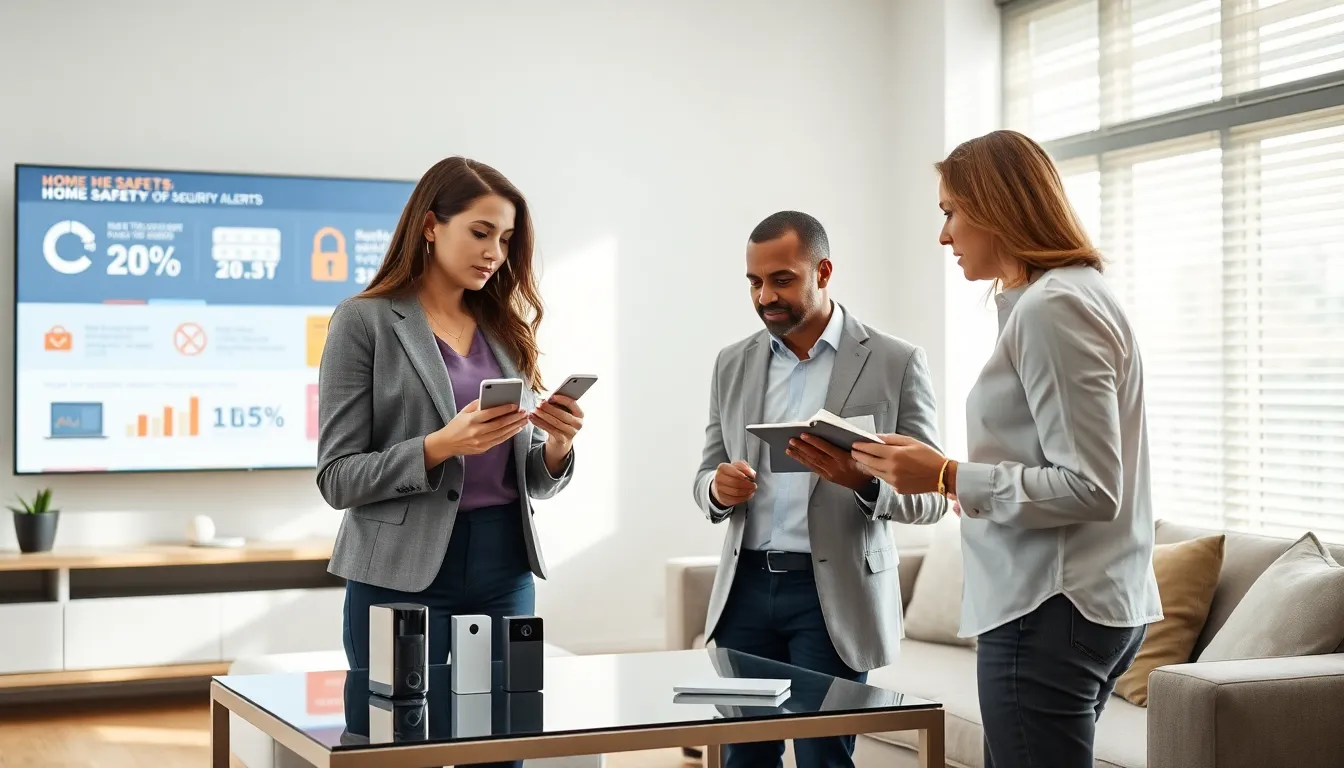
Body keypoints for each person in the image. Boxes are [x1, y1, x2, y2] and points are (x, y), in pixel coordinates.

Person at [850, 130, 1162, 768]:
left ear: (995, 208)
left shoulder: (1054, 308)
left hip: (1049, 610)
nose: (944, 236)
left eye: (949, 213)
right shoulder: (1067, 297)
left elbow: (1091, 487)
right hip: (1076, 604)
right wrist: (956, 481)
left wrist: (944, 476)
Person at [316, 157, 584, 687]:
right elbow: (337, 478)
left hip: (505, 565)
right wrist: (437, 446)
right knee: (398, 738)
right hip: (398, 570)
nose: (494, 252)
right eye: (480, 232)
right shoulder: (364, 320)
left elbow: (528, 475)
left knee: (507, 731)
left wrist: (556, 445)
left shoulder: (506, 328)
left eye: (506, 239)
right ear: (430, 226)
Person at [692, 211, 946, 768]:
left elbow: (932, 498)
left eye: (781, 279)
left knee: (823, 757)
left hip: (832, 597)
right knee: (742, 757)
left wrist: (862, 482)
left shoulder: (895, 361)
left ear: (823, 271)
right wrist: (718, 488)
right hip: (745, 593)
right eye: (755, 283)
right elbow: (705, 471)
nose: (765, 297)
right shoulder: (732, 362)